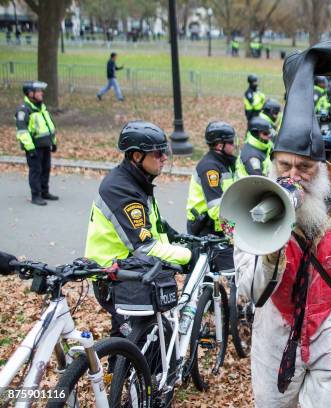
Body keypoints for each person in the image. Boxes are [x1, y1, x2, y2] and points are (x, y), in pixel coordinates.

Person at [232, 40, 331, 408]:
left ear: (321, 167)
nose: (294, 176)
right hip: (274, 331)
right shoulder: (256, 200)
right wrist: (269, 248)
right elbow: (251, 291)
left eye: (304, 168)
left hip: (329, 329)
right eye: (284, 166)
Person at [84, 121, 192, 336]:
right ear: (136, 156)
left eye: (165, 152)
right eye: (158, 153)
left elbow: (149, 224)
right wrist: (188, 255)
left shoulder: (136, 180)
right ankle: (124, 368)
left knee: (149, 336)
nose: (164, 158)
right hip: (116, 275)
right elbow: (144, 247)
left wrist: (173, 235)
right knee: (135, 341)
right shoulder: (122, 189)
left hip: (134, 269)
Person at [186, 121, 237, 238]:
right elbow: (216, 210)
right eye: (231, 142)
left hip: (220, 224)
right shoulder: (210, 169)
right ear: (220, 146)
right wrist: (234, 231)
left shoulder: (224, 162)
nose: (234, 145)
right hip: (206, 228)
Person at [16, 81, 59, 206]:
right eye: (39, 91)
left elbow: (49, 126)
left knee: (46, 168)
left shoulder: (41, 107)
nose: (41, 93)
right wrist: (30, 149)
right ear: (30, 94)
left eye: (41, 91)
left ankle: (44, 191)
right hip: (34, 147)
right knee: (36, 170)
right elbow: (22, 132)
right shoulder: (24, 110)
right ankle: (36, 195)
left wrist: (53, 142)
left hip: (45, 145)